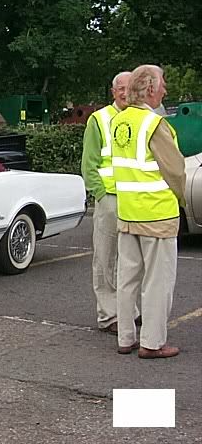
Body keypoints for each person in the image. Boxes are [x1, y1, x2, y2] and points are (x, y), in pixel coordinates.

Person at [111, 65, 186, 359]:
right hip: (157, 214)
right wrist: (181, 199)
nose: (165, 90)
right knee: (157, 282)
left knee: (127, 279)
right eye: (163, 84)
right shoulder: (155, 124)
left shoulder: (120, 121)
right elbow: (176, 170)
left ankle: (125, 337)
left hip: (128, 213)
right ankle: (152, 342)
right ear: (151, 89)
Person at [80, 71, 133, 334]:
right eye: (120, 88)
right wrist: (100, 194)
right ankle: (109, 315)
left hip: (135, 199)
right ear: (113, 92)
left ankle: (130, 312)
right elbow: (88, 164)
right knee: (106, 259)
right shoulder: (99, 119)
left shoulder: (139, 118)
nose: (125, 92)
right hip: (110, 198)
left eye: (129, 87)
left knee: (132, 260)